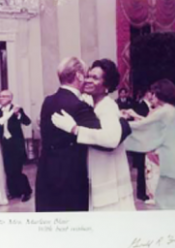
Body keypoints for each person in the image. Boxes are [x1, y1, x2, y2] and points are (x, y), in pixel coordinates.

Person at [52, 59, 135, 211]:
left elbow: (111, 139)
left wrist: (75, 129)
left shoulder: (108, 106)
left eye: (95, 78)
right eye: (88, 76)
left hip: (108, 174)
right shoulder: (90, 102)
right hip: (97, 171)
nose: (88, 80)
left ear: (107, 86)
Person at [124, 79, 175, 210]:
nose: (151, 96)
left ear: (161, 94)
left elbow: (143, 126)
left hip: (172, 160)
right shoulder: (174, 110)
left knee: (166, 199)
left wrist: (120, 125)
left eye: (154, 93)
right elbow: (153, 125)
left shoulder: (163, 111)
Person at [36, 57, 101, 212]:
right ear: (78, 75)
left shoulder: (48, 101)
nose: (87, 80)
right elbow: (99, 136)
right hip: (71, 174)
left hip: (46, 170)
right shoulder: (79, 106)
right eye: (86, 75)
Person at [0, 90, 32, 202]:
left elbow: (27, 122)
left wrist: (18, 115)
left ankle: (26, 191)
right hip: (4, 144)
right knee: (8, 169)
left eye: (4, 96)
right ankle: (13, 192)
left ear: (10, 98)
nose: (1, 98)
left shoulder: (17, 109)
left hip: (16, 144)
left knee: (17, 169)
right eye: (0, 96)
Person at [132, 89, 152, 201]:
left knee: (147, 166)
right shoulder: (141, 106)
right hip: (142, 141)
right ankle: (141, 192)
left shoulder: (150, 106)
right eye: (151, 93)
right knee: (141, 167)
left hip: (148, 140)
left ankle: (148, 190)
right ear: (146, 94)